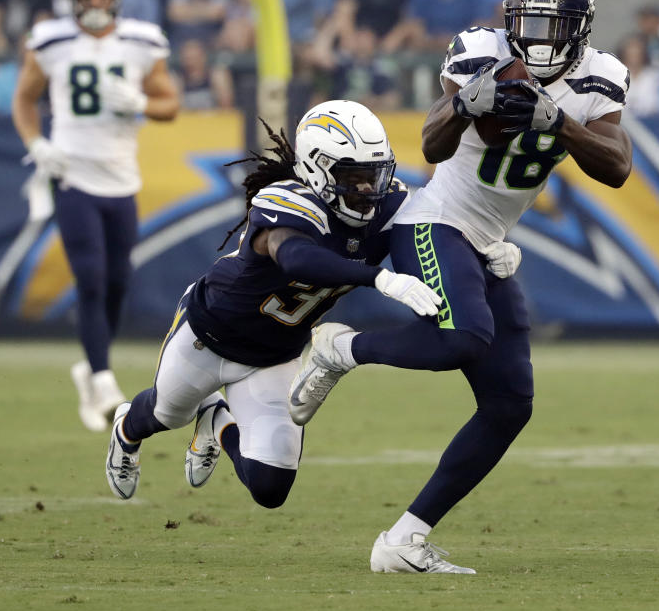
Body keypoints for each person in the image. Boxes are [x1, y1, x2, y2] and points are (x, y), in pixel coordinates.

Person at [287, 0, 632, 573]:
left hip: (487, 240)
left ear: (579, 31)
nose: (540, 39)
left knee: (509, 403)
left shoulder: (599, 76)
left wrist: (562, 122)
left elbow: (616, 166)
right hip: (434, 221)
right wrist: (464, 104)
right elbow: (432, 144)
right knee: (465, 337)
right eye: (529, 24)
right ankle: (340, 349)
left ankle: (403, 540)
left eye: (553, 26)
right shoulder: (480, 51)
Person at [103, 102, 442, 509]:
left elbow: (440, 229)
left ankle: (217, 421)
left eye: (374, 175)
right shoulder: (287, 200)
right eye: (354, 177)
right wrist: (378, 277)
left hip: (276, 356)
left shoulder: (389, 206)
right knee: (165, 415)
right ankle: (126, 430)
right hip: (210, 335)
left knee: (270, 488)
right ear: (318, 169)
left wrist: (486, 250)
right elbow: (297, 257)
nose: (368, 190)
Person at [11, 0, 179, 432]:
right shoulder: (51, 41)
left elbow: (171, 104)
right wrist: (36, 143)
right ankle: (103, 378)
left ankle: (90, 365)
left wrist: (143, 102)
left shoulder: (142, 42)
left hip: (122, 177)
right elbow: (24, 98)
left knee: (118, 281)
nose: (96, 3)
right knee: (89, 275)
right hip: (71, 172)